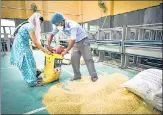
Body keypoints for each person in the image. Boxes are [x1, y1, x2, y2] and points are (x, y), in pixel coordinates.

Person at [47, 12, 98, 82]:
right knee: (74, 59)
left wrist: (65, 51)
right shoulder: (59, 26)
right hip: (75, 43)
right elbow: (51, 35)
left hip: (84, 41)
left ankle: (94, 77)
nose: (56, 26)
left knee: (88, 59)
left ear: (61, 21)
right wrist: (49, 45)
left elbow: (72, 40)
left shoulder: (72, 25)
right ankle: (77, 76)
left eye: (57, 24)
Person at [10, 13, 51, 87]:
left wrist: (44, 47)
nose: (39, 25)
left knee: (30, 61)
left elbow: (35, 41)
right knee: (27, 63)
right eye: (40, 23)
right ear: (36, 20)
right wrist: (45, 50)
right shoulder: (30, 26)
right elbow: (35, 42)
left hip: (22, 45)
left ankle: (33, 76)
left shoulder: (27, 24)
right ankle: (32, 82)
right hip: (21, 47)